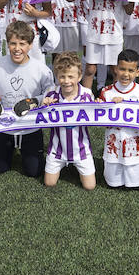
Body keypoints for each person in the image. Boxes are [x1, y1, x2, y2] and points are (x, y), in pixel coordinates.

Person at [0, 21, 54, 177]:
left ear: (30, 45)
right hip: (3, 125)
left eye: (22, 44)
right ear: (7, 43)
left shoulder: (41, 69)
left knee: (34, 171)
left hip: (30, 126)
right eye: (13, 43)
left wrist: (34, 101)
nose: (17, 49)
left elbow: (51, 94)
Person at [42, 53, 97, 190]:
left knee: (90, 186)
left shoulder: (86, 95)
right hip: (57, 149)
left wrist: (98, 104)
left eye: (71, 76)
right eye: (62, 76)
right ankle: (61, 163)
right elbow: (39, 116)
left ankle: (77, 163)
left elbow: (97, 115)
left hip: (82, 150)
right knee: (49, 183)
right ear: (57, 76)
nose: (66, 81)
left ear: (79, 76)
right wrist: (44, 106)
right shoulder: (51, 94)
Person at [100, 50, 139, 189]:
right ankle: (114, 179)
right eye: (122, 69)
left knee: (137, 184)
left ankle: (135, 180)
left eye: (131, 70)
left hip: (134, 139)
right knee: (113, 183)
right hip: (114, 138)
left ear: (138, 72)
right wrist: (105, 105)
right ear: (115, 69)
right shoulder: (107, 92)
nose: (126, 74)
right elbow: (99, 117)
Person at [82, 0, 131, 90]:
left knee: (116, 70)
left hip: (114, 33)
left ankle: (115, 98)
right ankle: (86, 99)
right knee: (90, 69)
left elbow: (128, 10)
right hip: (94, 32)